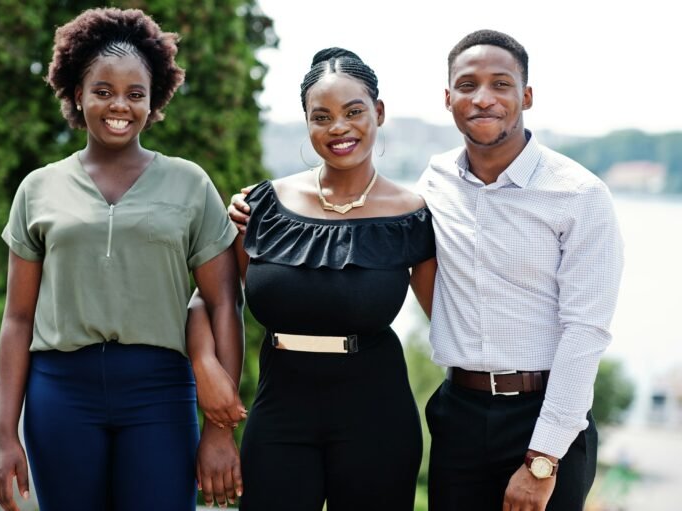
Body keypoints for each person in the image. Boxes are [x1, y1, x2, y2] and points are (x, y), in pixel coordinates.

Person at [230, 30, 624, 511]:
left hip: (542, 418)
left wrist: (544, 458)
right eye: (467, 85)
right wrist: (255, 211)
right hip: (459, 414)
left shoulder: (579, 196)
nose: (483, 98)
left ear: (526, 95)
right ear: (448, 98)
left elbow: (586, 331)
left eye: (500, 84)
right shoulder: (433, 186)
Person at [0, 8, 243, 511]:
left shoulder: (190, 183)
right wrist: (2, 435)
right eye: (102, 90)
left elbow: (224, 306)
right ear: (76, 94)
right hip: (60, 394)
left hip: (160, 393)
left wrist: (219, 430)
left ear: (155, 99)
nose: (118, 105)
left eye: (135, 93)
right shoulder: (38, 189)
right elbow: (17, 319)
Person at [187, 47, 438, 510]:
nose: (338, 127)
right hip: (281, 408)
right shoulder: (260, 208)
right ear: (306, 122)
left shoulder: (412, 215)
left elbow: (448, 321)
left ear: (378, 113)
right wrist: (205, 371)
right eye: (321, 116)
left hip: (377, 414)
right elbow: (211, 299)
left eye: (354, 111)